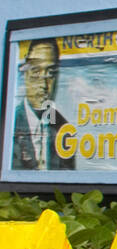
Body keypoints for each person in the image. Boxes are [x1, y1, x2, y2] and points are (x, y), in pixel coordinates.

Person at [12, 38, 74, 171]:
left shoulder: (64, 129)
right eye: (36, 72)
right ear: (25, 74)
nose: (44, 85)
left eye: (51, 73)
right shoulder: (10, 124)